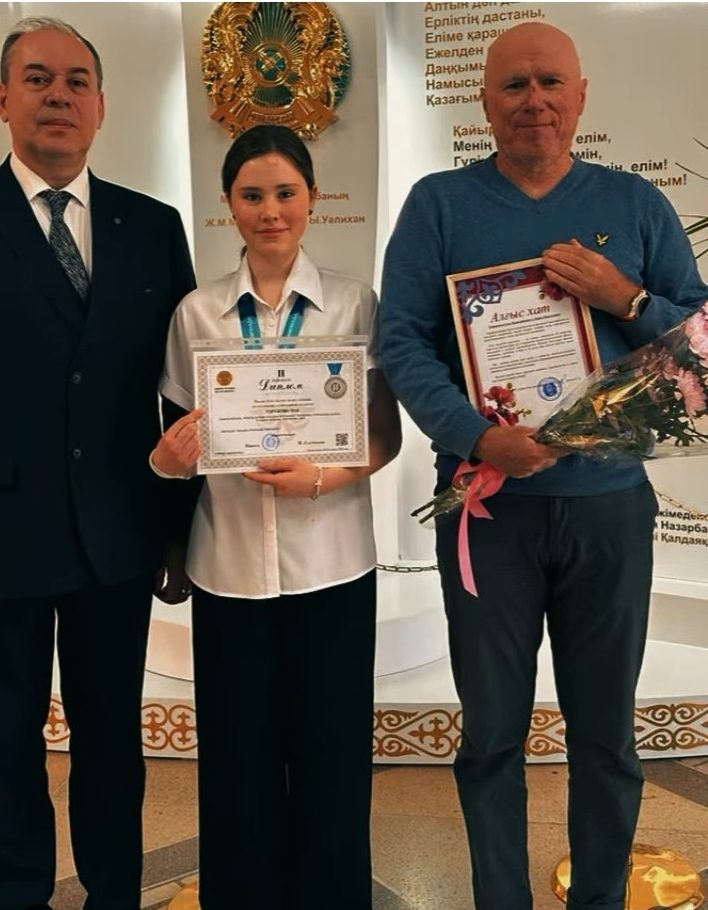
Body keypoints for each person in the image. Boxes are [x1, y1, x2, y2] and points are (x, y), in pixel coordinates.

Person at [378, 21, 708, 910]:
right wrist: (475, 436)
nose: (535, 101)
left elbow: (700, 340)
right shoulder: (439, 206)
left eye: (551, 83)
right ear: (484, 100)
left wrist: (624, 296)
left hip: (609, 509)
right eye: (515, 85)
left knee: (606, 737)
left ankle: (597, 897)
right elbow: (401, 342)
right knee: (490, 736)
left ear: (581, 95)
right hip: (488, 511)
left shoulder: (634, 204)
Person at [151, 123, 401, 910]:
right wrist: (168, 461)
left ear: (313, 199)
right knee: (238, 760)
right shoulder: (197, 314)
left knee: (333, 755)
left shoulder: (355, 304)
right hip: (229, 568)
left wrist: (324, 476)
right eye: (252, 195)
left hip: (333, 564)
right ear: (228, 204)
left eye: (286, 193)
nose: (270, 211)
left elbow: (386, 436)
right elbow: (176, 437)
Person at [0, 17, 195, 910]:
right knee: (6, 738)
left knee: (112, 738)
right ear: (5, 98)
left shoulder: (151, 227)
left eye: (77, 81)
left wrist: (180, 530)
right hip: (6, 529)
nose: (59, 95)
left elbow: (182, 391)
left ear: (103, 105)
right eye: (38, 78)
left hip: (117, 531)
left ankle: (115, 893)